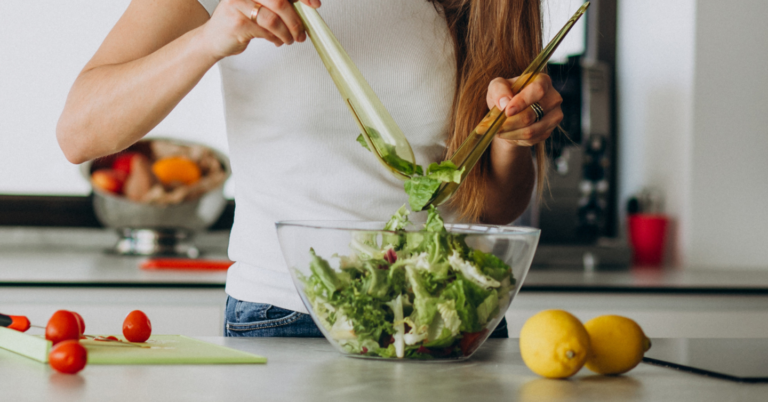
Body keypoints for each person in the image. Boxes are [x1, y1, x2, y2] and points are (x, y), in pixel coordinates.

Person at [57, 0, 563, 338]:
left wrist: (511, 137)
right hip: (289, 316)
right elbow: (82, 132)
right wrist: (212, 36)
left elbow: (495, 207)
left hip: (450, 314)